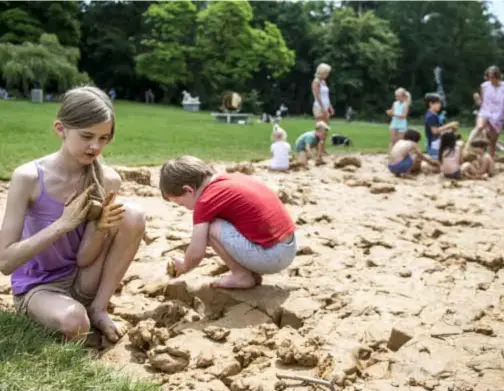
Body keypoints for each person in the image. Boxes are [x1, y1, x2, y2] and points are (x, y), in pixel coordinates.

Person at [0, 86, 146, 342]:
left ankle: (99, 308)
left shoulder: (107, 179)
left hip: (82, 278)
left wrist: (99, 228)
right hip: (40, 287)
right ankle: (73, 313)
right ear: (61, 129)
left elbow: (83, 258)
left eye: (104, 138)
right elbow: (5, 263)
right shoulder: (29, 178)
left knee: (133, 215)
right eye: (87, 136)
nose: (95, 147)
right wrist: (63, 224)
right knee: (75, 321)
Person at [159, 156, 297, 289]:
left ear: (188, 190)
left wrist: (184, 266)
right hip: (288, 246)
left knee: (210, 228)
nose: (186, 208)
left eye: (181, 203)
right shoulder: (229, 178)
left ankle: (241, 275)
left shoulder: (206, 201)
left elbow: (196, 252)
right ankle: (249, 270)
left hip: (273, 256)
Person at [466, 66, 504, 157]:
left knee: (493, 140)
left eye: (492, 77)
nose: (491, 79)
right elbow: (482, 102)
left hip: (498, 113)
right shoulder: (484, 86)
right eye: (489, 77)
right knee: (479, 126)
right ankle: (467, 145)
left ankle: (490, 159)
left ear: (497, 77)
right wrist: (478, 100)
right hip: (486, 110)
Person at [424, 93, 460, 160]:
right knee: (437, 164)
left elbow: (439, 129)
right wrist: (449, 125)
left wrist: (449, 129)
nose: (440, 105)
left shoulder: (433, 114)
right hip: (433, 145)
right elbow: (435, 131)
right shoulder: (431, 115)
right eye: (438, 103)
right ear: (431, 104)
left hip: (434, 143)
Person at [311, 63, 333, 156]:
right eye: (326, 73)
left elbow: (326, 95)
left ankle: (323, 148)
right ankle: (317, 149)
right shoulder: (316, 82)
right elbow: (317, 96)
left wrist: (330, 106)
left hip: (326, 106)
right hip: (319, 107)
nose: (327, 75)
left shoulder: (324, 82)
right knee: (320, 128)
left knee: (326, 129)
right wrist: (323, 108)